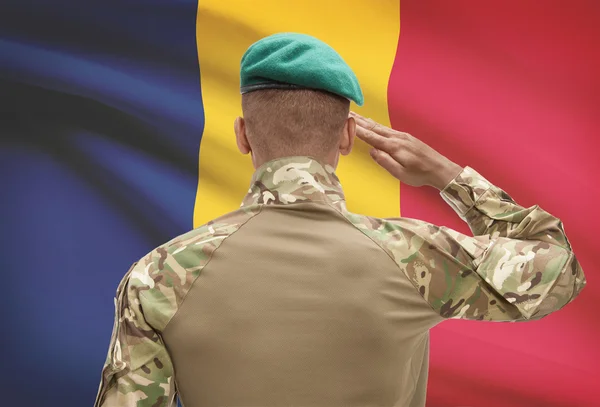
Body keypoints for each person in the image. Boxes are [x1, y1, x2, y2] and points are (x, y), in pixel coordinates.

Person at [94, 33, 586, 407]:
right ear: (349, 135)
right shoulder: (415, 256)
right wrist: (447, 175)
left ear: (243, 135)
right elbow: (559, 268)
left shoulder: (158, 276)